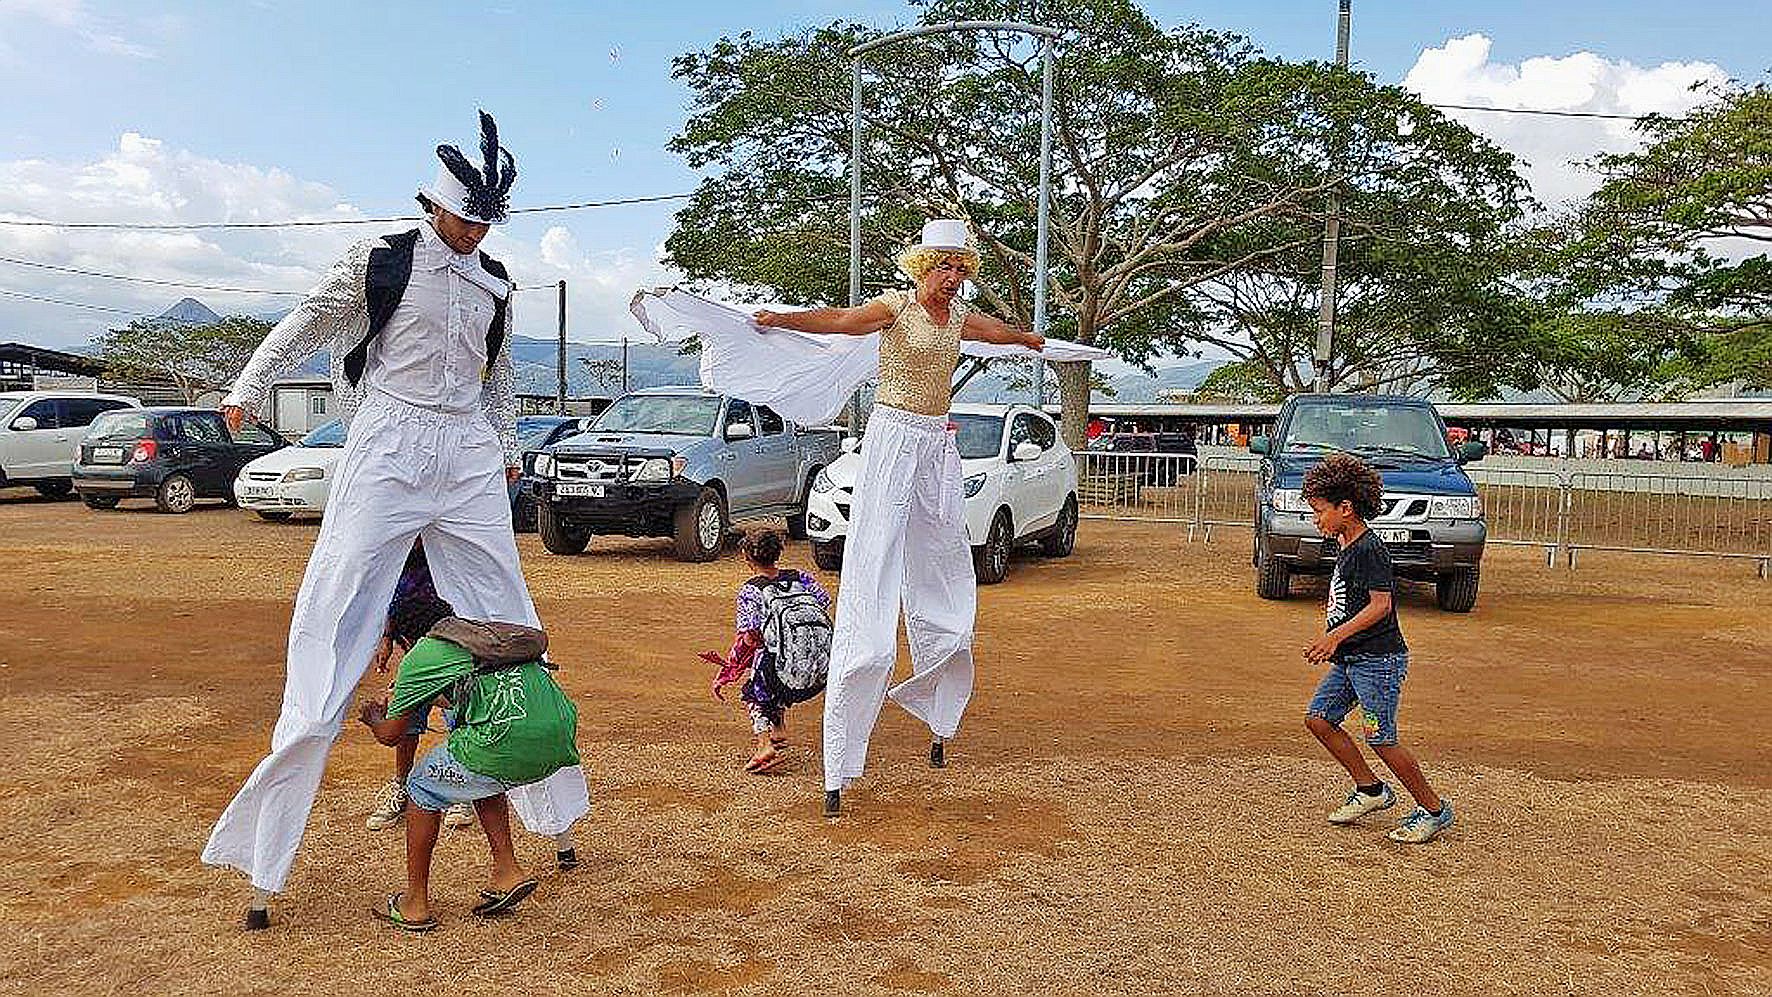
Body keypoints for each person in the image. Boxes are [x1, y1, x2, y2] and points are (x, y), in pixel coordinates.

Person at [202, 111, 588, 930]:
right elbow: (308, 320)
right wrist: (249, 383)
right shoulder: (384, 260)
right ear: (434, 206)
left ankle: (551, 816)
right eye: (466, 216)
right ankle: (266, 855)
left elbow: (500, 369)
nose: (476, 230)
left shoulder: (494, 278)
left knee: (510, 621)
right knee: (335, 617)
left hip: (468, 450)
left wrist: (508, 440)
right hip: (389, 438)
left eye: (488, 220)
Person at [753, 219, 1044, 817]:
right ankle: (843, 755)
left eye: (963, 269)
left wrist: (1029, 339)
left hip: (937, 442)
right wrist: (783, 318)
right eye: (946, 267)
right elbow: (837, 320)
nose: (954, 278)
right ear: (924, 267)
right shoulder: (896, 307)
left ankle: (937, 705)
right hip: (892, 435)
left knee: (942, 565)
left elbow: (999, 332)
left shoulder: (959, 318)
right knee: (875, 572)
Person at [359, 594, 580, 931]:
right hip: (558, 733)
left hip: (506, 741)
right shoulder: (481, 639)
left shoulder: (421, 654)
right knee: (477, 772)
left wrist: (374, 717)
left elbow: (391, 735)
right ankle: (506, 869)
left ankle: (415, 903)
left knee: (421, 789)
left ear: (406, 638)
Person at [1300, 454, 1454, 844]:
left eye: (1320, 511)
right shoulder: (1345, 541)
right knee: (1319, 718)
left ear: (1346, 509)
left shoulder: (1369, 549)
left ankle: (1433, 810)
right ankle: (1371, 790)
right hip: (1351, 659)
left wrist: (1334, 636)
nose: (1316, 519)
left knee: (1381, 737)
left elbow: (1381, 604)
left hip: (1377, 661)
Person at [365, 539, 475, 832]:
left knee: (458, 717)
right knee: (408, 718)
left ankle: (460, 790)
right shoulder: (393, 547)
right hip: (412, 645)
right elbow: (388, 594)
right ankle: (402, 786)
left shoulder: (444, 544)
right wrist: (387, 638)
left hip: (452, 645)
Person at [704, 529, 833, 774]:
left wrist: (737, 662)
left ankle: (764, 746)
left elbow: (750, 634)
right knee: (773, 668)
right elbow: (823, 601)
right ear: (778, 553)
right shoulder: (800, 577)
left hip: (785, 671)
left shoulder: (751, 590)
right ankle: (779, 729)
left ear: (746, 557)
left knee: (757, 690)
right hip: (820, 668)